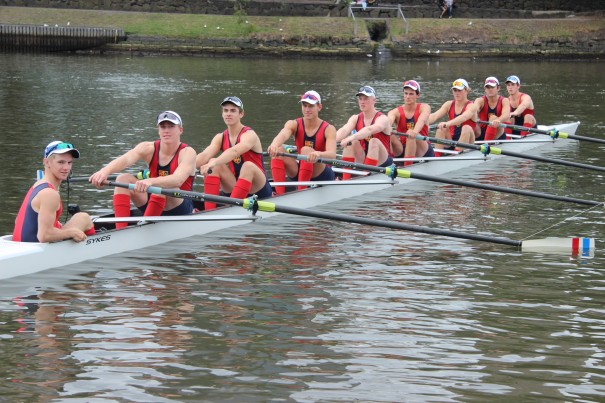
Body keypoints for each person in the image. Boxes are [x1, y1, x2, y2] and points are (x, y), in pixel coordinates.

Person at [89, 111, 197, 229]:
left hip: (180, 208)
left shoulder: (187, 152)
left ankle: (144, 229)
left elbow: (178, 180)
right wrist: (104, 172)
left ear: (180, 130)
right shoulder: (148, 148)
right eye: (163, 126)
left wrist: (151, 181)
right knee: (122, 179)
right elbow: (125, 160)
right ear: (158, 130)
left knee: (162, 187)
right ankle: (120, 230)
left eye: (171, 126)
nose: (166, 130)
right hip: (154, 200)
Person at [196, 96, 272, 210]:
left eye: (233, 110)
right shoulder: (220, 137)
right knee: (214, 164)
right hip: (236, 186)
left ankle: (230, 209)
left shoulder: (249, 134)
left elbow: (235, 151)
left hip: (259, 188)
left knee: (247, 166)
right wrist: (183, 169)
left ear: (241, 114)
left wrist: (215, 162)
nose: (228, 114)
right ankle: (209, 212)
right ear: (222, 114)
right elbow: (205, 155)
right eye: (225, 110)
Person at [13, 141, 95, 243]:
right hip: (35, 249)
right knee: (84, 218)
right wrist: (72, 232)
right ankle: (92, 245)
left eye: (69, 162)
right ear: (46, 162)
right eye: (61, 162)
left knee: (80, 217)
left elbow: (18, 221)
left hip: (22, 244)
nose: (66, 168)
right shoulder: (50, 193)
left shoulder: (38, 185)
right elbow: (44, 236)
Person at [267, 90, 337, 194]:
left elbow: (332, 155)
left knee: (305, 150)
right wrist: (274, 145)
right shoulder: (293, 124)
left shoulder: (329, 128)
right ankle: (279, 195)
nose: (307, 109)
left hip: (322, 174)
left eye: (311, 106)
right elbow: (283, 134)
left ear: (319, 107)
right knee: (279, 150)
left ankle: (301, 193)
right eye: (304, 105)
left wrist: (318, 154)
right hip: (302, 170)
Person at [336, 85, 393, 180]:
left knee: (373, 141)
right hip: (363, 159)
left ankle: (365, 177)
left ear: (374, 100)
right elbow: (344, 130)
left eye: (366, 99)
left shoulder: (383, 119)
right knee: (351, 142)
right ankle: (346, 180)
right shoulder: (355, 118)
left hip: (383, 161)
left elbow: (369, 130)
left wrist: (352, 137)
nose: (362, 102)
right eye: (360, 99)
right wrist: (328, 141)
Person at [388, 80, 435, 166]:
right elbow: (389, 121)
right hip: (404, 149)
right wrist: (387, 128)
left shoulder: (424, 107)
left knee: (410, 134)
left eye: (411, 94)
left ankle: (407, 167)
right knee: (390, 135)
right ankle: (389, 163)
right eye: (406, 93)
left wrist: (414, 132)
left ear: (418, 95)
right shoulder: (394, 112)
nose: (408, 97)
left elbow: (422, 120)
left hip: (423, 151)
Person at [429, 78, 477, 154]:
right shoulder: (449, 104)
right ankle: (437, 156)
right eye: (455, 90)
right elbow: (435, 115)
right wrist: (421, 122)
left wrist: (448, 123)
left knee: (466, 128)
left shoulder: (472, 106)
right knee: (441, 128)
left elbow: (463, 117)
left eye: (459, 90)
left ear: (466, 90)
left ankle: (455, 154)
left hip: (468, 142)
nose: (457, 93)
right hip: (451, 140)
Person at [474, 76, 511, 141]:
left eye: (492, 87)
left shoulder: (504, 100)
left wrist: (498, 120)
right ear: (485, 89)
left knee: (493, 118)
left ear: (498, 88)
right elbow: (474, 110)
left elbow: (506, 114)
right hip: (481, 133)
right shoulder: (480, 100)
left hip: (498, 134)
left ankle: (486, 144)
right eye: (488, 87)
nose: (490, 89)